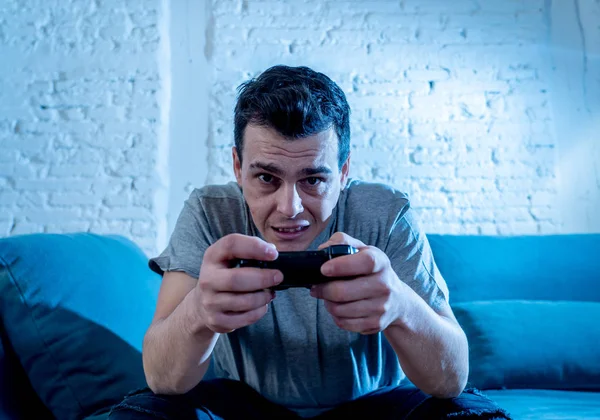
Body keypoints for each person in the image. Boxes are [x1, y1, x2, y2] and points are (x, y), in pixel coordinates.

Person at [109, 65, 512, 419]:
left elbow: (452, 378)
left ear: (344, 171)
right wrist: (198, 312)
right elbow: (163, 378)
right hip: (245, 404)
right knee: (144, 410)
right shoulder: (208, 212)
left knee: (470, 412)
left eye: (314, 179)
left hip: (374, 404)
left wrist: (402, 306)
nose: (290, 208)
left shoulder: (386, 212)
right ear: (237, 166)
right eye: (266, 178)